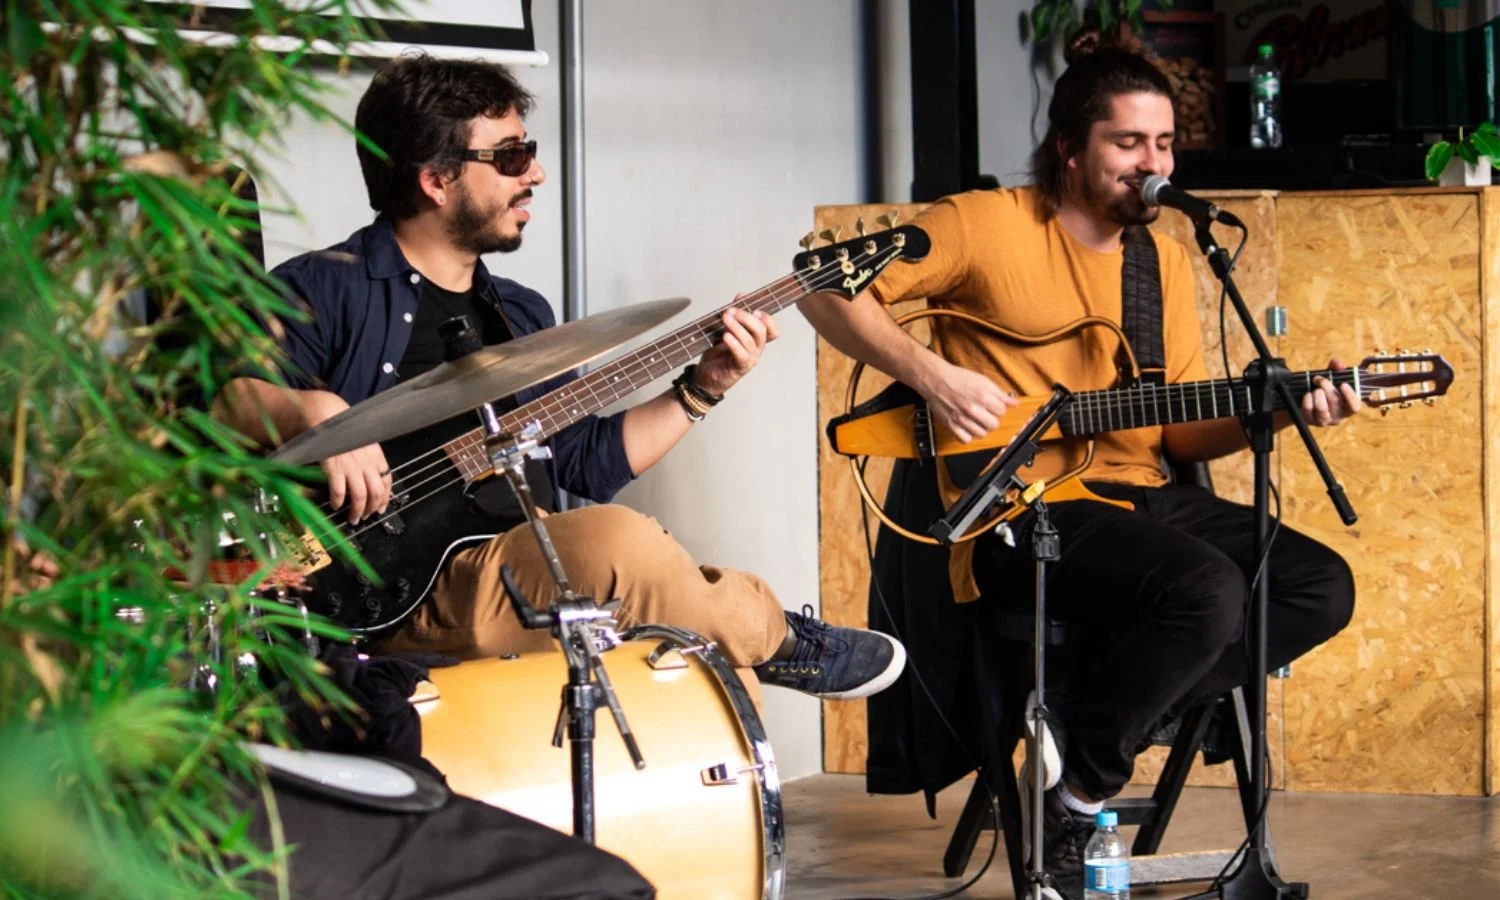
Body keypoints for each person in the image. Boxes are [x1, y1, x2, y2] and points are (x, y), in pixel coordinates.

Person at [798, 32, 1358, 893]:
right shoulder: (984, 225)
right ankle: (1082, 792)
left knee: (1318, 585)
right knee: (1206, 590)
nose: (1153, 163)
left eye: (1163, 143)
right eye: (1128, 142)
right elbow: (820, 284)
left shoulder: (1160, 261)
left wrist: (1277, 413)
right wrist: (933, 377)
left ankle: (1087, 727)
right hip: (1018, 510)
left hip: (1136, 500)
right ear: (1069, 147)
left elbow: (1175, 433)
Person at [213, 53, 905, 702]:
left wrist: (704, 387)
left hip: (522, 566)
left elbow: (585, 462)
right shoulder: (324, 288)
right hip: (389, 589)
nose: (536, 174)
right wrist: (318, 413)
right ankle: (775, 636)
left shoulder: (520, 315)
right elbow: (226, 401)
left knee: (700, 660)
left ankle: (746, 646)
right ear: (436, 180)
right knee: (619, 544)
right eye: (511, 156)